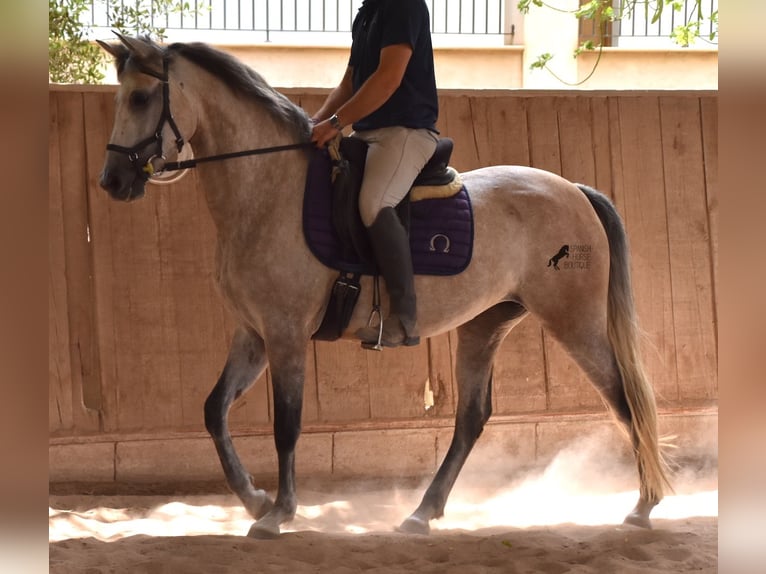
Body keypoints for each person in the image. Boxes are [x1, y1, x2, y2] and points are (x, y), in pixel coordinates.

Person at [311, 0, 439, 349]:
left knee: (373, 202)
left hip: (406, 132)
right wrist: (314, 123)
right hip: (368, 133)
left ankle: (403, 320)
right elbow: (351, 82)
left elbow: (388, 78)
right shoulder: (368, 13)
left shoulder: (404, 6)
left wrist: (336, 123)